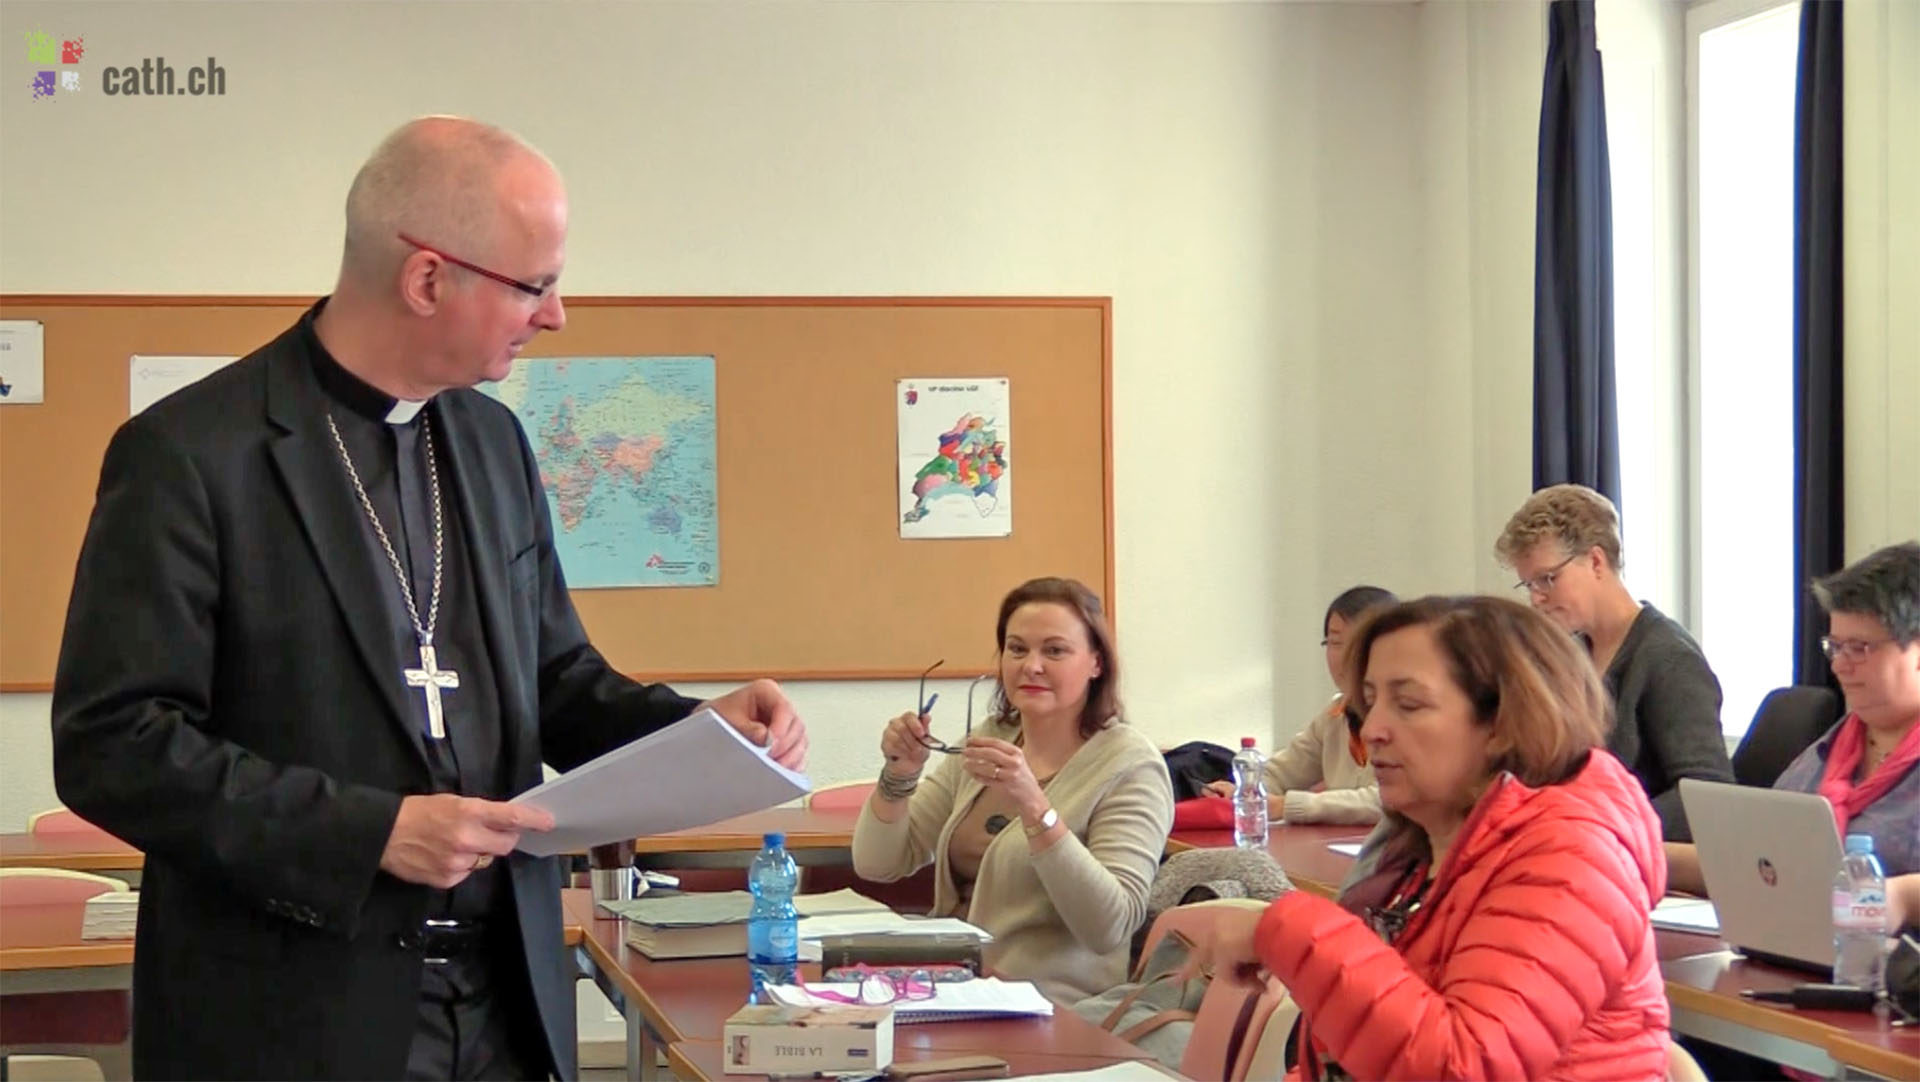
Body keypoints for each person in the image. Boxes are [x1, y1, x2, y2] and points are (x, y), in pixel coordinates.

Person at [49, 116, 808, 1082]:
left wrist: (703, 735)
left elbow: (557, 679)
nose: (557, 314)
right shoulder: (193, 456)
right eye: (535, 285)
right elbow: (113, 744)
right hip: (293, 1018)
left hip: (506, 1002)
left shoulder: (493, 444)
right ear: (426, 280)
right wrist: (370, 832)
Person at [1186, 596, 1671, 1081]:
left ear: (1501, 723)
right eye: (1371, 701)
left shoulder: (1570, 857)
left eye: (1409, 704)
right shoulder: (1414, 852)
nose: (1372, 729)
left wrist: (1285, 931)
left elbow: (1462, 1067)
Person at [851, 577, 1174, 1004]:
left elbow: (1110, 926)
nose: (1031, 666)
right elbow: (878, 864)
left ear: (1096, 663)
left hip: (1051, 1005)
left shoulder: (1130, 765)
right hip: (954, 987)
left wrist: (1035, 807)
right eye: (1017, 649)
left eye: (1054, 651)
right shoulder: (991, 738)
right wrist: (898, 776)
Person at [1666, 540, 1920, 895]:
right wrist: (1647, 856)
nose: (1839, 665)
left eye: (1860, 648)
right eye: (1835, 646)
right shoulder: (1825, 756)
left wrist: (1904, 898)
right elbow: (1755, 864)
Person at [1495, 483, 1734, 840]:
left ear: (1595, 561)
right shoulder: (1572, 654)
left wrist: (1596, 828)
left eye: (1547, 579)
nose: (1537, 598)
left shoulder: (1669, 658)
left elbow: (1707, 794)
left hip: (1634, 861)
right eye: (1528, 585)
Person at [1204, 585, 1394, 825]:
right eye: (1335, 642)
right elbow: (1286, 770)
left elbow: (1386, 799)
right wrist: (1244, 789)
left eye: (1358, 643)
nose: (1345, 656)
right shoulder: (1335, 714)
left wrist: (1286, 806)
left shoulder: (1405, 719)